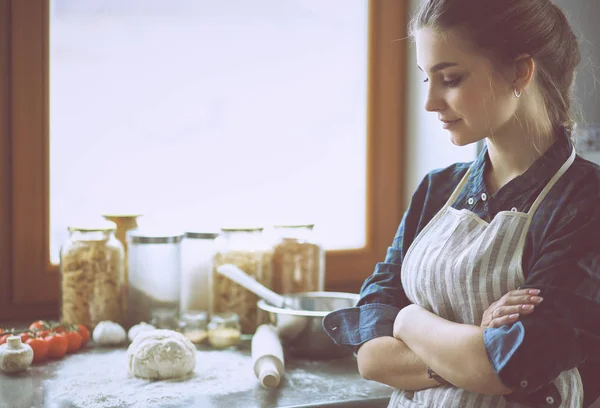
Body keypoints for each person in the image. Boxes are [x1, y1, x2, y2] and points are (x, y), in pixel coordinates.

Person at [322, 0, 600, 407]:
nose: (430, 102)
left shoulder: (584, 202)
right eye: (426, 80)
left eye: (450, 78)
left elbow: (508, 366)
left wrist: (409, 318)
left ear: (520, 72)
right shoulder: (437, 190)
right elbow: (371, 355)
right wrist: (473, 343)